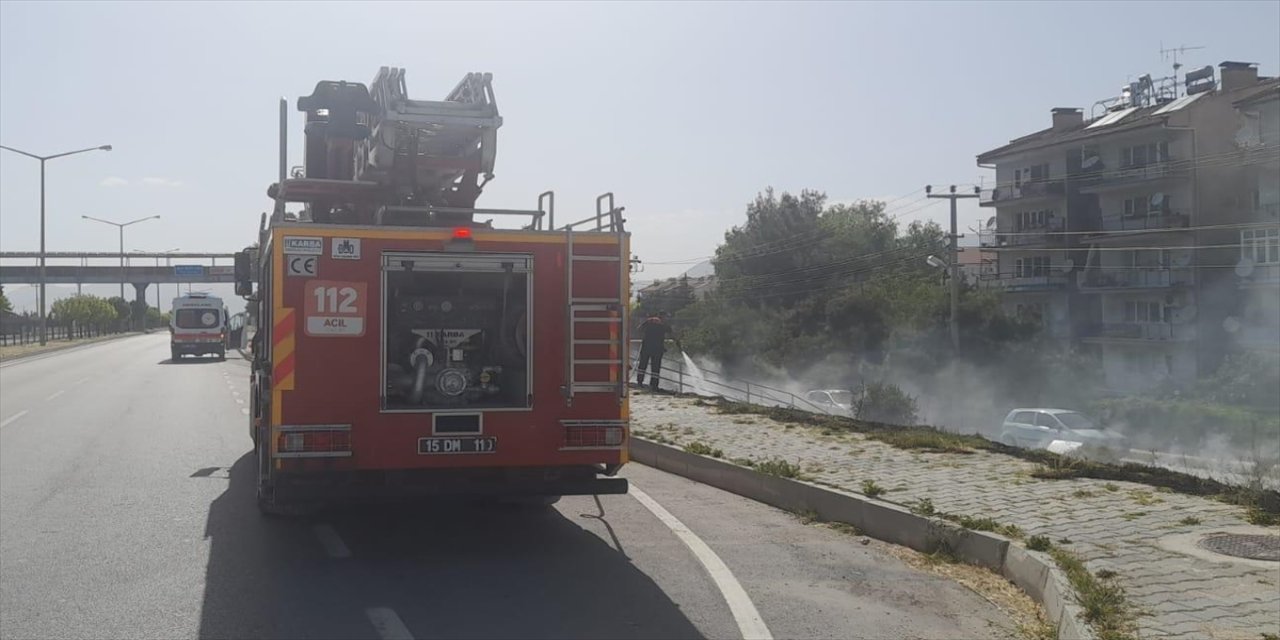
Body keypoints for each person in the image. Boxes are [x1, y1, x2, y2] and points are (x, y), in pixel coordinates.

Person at [636, 310, 680, 391]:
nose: (667, 319)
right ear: (663, 316)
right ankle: (654, 385)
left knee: (642, 365)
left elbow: (639, 329)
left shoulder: (649, 321)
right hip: (657, 349)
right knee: (655, 368)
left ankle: (639, 383)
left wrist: (645, 336)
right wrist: (677, 342)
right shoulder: (664, 324)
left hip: (646, 347)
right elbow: (672, 335)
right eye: (666, 317)